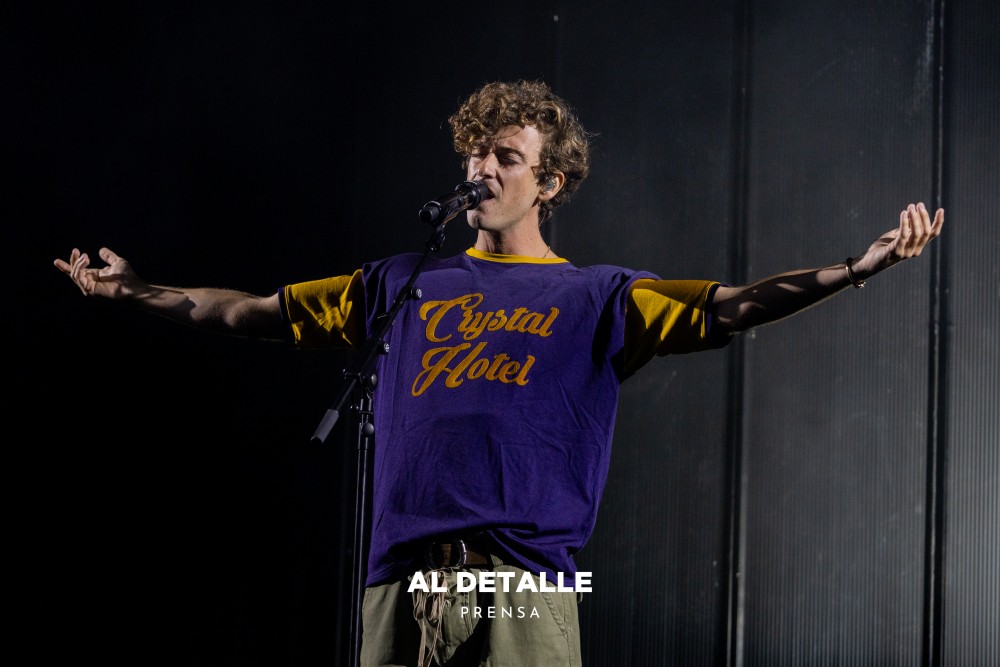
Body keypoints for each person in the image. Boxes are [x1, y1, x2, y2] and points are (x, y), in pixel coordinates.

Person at [54, 79, 944, 666]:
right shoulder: (403, 281)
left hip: (521, 584)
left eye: (505, 157)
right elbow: (251, 311)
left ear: (549, 182)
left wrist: (854, 267)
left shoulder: (598, 295)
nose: (482, 169)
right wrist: (135, 290)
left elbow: (732, 305)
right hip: (403, 578)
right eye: (475, 154)